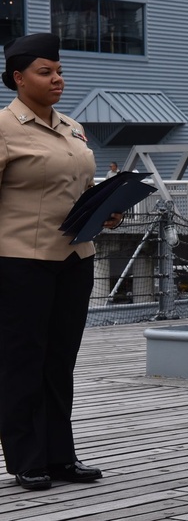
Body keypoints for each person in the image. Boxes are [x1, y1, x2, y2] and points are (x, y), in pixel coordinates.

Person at [0, 33, 120, 491]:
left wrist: (107, 210)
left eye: (60, 71)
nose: (58, 79)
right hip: (20, 262)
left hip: (75, 258)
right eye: (45, 72)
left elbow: (76, 192)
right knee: (22, 361)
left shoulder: (72, 128)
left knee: (59, 362)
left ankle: (60, 456)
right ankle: (26, 458)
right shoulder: (4, 127)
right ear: (18, 77)